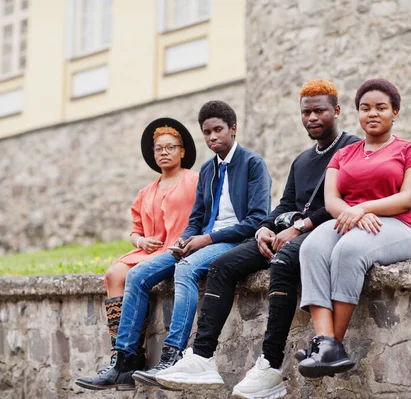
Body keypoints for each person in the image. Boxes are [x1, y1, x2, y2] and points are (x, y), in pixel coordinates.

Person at [156, 80, 361, 398]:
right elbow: (285, 203)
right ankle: (202, 358)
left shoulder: (352, 149)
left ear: (336, 110)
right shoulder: (303, 160)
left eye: (319, 110)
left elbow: (345, 203)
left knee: (282, 262)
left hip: (323, 233)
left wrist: (299, 227)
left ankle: (271, 366)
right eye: (306, 112)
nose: (311, 118)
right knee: (222, 265)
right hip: (284, 232)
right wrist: (264, 227)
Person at [75, 100, 272, 391]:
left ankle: (172, 356)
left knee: (186, 269)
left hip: (233, 241)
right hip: (202, 240)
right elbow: (196, 219)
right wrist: (185, 240)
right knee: (138, 274)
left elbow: (256, 220)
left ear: (233, 129)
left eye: (218, 130)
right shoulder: (208, 170)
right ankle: (125, 362)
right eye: (207, 132)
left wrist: (206, 239)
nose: (212, 137)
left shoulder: (253, 164)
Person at [297, 78, 411, 379]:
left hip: (401, 227)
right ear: (357, 113)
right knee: (312, 247)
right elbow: (332, 200)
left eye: (381, 107)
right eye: (365, 108)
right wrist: (355, 214)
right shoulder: (344, 153)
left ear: (394, 112)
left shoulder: (410, 150)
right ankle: (323, 342)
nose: (372, 113)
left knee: (350, 249)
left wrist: (364, 208)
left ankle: (334, 344)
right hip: (351, 220)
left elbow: (408, 197)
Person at [96, 118, 199, 376]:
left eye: (170, 147)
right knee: (112, 275)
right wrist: (141, 241)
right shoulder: (145, 191)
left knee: (133, 276)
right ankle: (123, 356)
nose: (163, 153)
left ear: (182, 150)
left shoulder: (194, 181)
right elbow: (135, 230)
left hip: (178, 247)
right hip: (148, 249)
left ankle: (126, 357)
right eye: (158, 149)